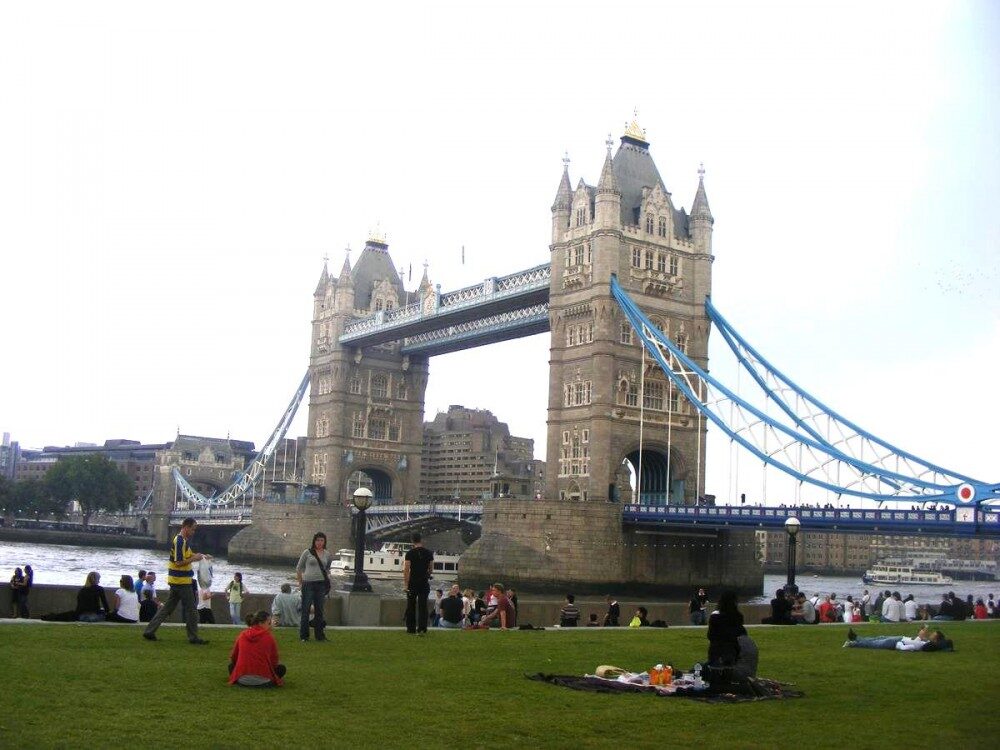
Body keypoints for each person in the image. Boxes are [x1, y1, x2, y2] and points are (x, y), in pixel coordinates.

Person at [142, 517, 211, 644]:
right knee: (192, 610)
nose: (193, 532)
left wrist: (202, 556)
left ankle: (149, 631)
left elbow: (189, 555)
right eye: (193, 529)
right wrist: (194, 559)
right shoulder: (180, 541)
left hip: (176, 581)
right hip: (181, 581)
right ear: (186, 527)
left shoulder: (183, 540)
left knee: (167, 608)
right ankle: (193, 637)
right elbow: (179, 562)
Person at [228, 610, 286, 687]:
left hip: (241, 679)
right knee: (281, 668)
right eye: (268, 623)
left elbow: (234, 657)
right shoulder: (269, 637)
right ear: (261, 623)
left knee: (231, 665)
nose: (270, 625)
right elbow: (274, 661)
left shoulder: (242, 635)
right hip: (264, 680)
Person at [296, 531, 332, 642]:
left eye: (321, 540)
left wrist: (328, 581)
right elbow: (299, 568)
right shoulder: (307, 552)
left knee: (319, 610)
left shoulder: (327, 554)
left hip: (321, 584)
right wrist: (300, 583)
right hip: (308, 583)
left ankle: (319, 635)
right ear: (314, 541)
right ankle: (304, 636)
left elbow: (327, 569)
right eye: (317, 540)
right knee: (306, 610)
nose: (319, 542)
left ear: (324, 542)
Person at [42, 571, 109, 622]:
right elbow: (105, 605)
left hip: (81, 616)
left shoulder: (82, 590)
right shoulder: (100, 589)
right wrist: (106, 611)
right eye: (99, 579)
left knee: (65, 615)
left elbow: (79, 607)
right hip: (93, 616)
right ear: (96, 579)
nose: (99, 581)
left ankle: (49, 616)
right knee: (102, 612)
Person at [403, 533, 434, 635]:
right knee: (423, 606)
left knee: (411, 605)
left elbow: (406, 570)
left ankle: (411, 629)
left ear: (412, 541)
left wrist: (406, 584)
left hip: (413, 582)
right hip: (424, 583)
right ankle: (422, 628)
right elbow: (431, 569)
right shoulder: (429, 553)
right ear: (421, 540)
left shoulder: (410, 553)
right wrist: (427, 574)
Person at [843, 626, 953, 652]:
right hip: (901, 638)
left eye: (934, 634)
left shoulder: (929, 645)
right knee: (879, 638)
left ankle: (853, 642)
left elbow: (916, 645)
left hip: (899, 641)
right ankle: (856, 638)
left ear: (936, 638)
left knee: (876, 644)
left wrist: (920, 636)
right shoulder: (928, 642)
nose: (932, 634)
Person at [707, 591, 744, 666]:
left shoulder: (715, 617)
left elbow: (710, 635)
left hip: (716, 651)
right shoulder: (738, 617)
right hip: (732, 651)